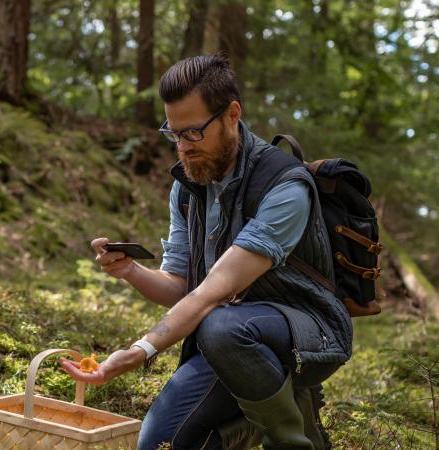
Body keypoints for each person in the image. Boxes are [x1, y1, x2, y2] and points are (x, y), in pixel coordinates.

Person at [59, 54, 352, 450]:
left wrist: (137, 351)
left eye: (194, 132)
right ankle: (256, 419)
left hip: (307, 333)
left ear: (232, 114)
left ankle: (296, 438)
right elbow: (181, 287)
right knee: (160, 443)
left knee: (222, 327)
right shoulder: (188, 185)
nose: (183, 147)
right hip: (230, 338)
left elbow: (212, 293)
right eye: (174, 133)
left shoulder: (285, 186)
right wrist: (129, 271)